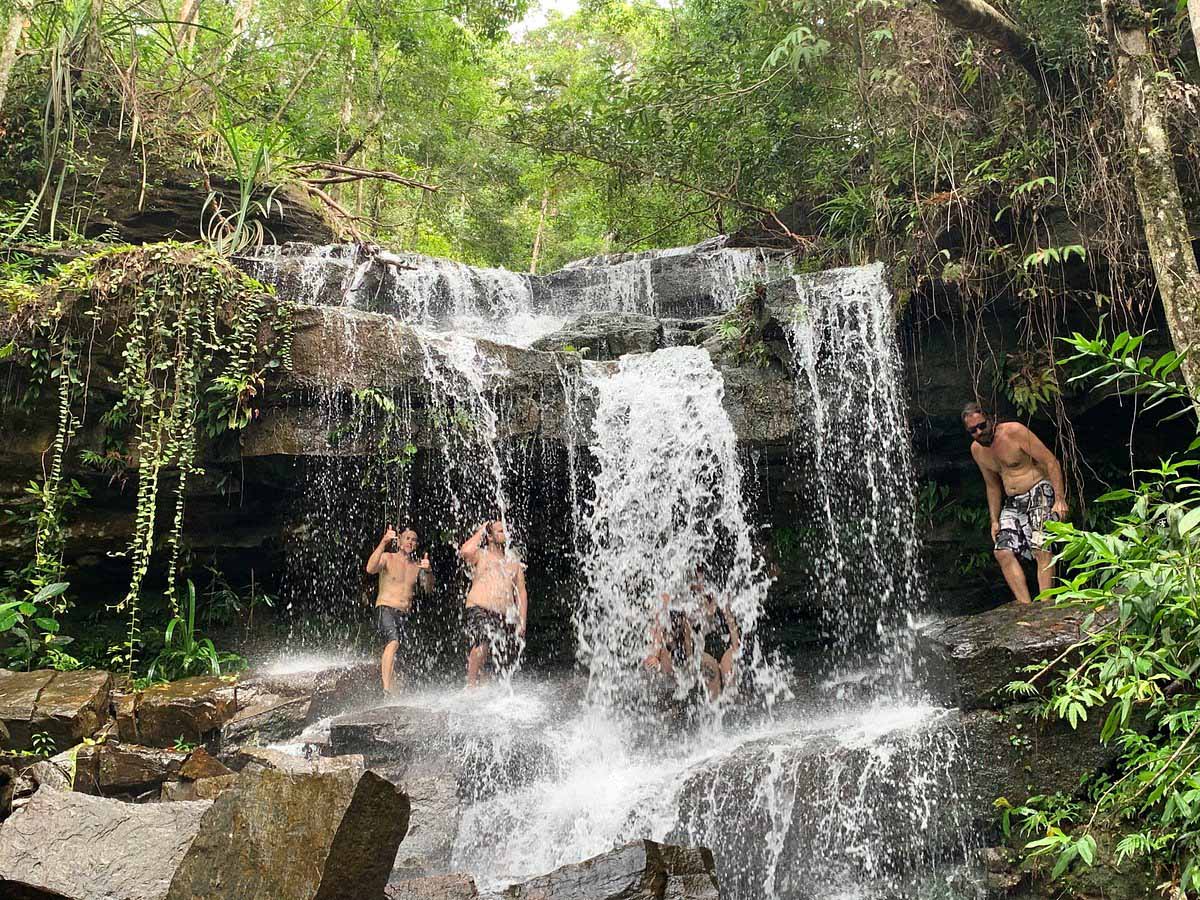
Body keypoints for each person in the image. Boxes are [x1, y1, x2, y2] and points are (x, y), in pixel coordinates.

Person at [963, 402, 1069, 604]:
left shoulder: (1014, 431)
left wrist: (1060, 499)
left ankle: (1046, 605)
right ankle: (1025, 606)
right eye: (972, 430)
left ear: (991, 419)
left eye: (982, 425)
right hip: (1013, 500)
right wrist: (994, 520)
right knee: (1001, 551)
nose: (979, 432)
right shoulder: (977, 450)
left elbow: (1050, 461)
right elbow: (992, 486)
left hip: (1038, 488)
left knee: (1040, 545)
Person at [458, 518, 529, 688]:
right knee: (483, 641)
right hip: (478, 607)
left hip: (501, 614)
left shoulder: (514, 563)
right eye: (500, 531)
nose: (505, 533)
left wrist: (522, 621)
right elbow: (465, 552)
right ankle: (471, 686)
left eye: (505, 530)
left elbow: (521, 593)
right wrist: (482, 529)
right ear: (489, 537)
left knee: (491, 650)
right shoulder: (481, 554)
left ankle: (482, 685)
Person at [365, 525, 432, 694]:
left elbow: (428, 589)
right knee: (393, 641)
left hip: (404, 614)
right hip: (385, 607)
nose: (411, 542)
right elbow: (370, 569)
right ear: (400, 541)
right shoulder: (388, 557)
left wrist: (429, 571)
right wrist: (383, 542)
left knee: (402, 653)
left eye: (414, 540)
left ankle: (396, 690)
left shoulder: (417, 566)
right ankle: (386, 689)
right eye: (407, 538)